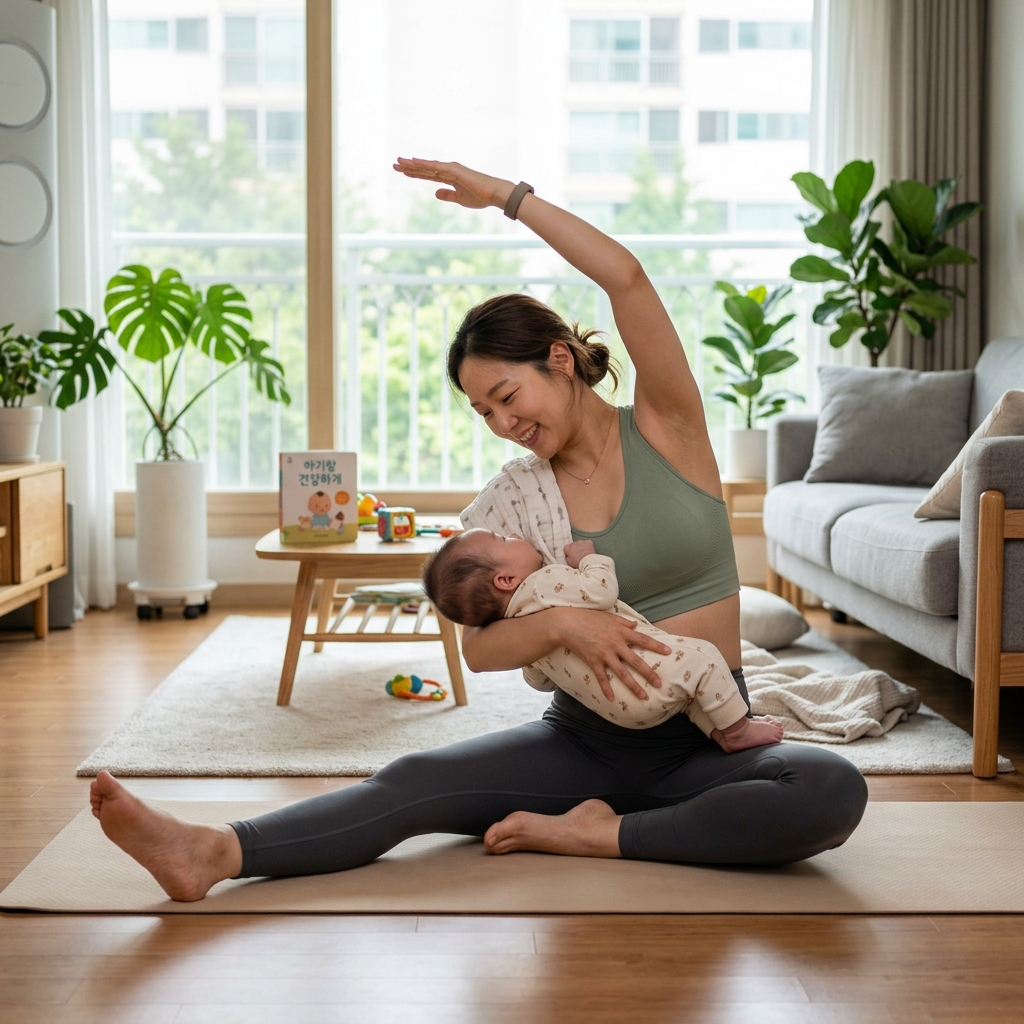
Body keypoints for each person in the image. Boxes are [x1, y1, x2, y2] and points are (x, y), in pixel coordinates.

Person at [90, 158, 868, 902]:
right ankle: (212, 852)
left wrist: (506, 197)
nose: (502, 424)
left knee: (829, 789)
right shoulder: (512, 502)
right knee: (413, 781)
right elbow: (481, 649)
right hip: (582, 743)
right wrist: (565, 623)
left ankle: (598, 835)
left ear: (561, 359)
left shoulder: (670, 429)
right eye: (483, 412)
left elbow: (626, 278)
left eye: (506, 396)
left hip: (708, 736)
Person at [422, 527, 784, 751]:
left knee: (687, 698)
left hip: (620, 711)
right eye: (503, 539)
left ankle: (717, 732)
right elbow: (600, 592)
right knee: (703, 660)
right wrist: (589, 559)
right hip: (644, 679)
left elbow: (539, 681)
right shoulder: (543, 583)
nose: (513, 535)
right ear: (505, 580)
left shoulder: (517, 629)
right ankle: (736, 730)